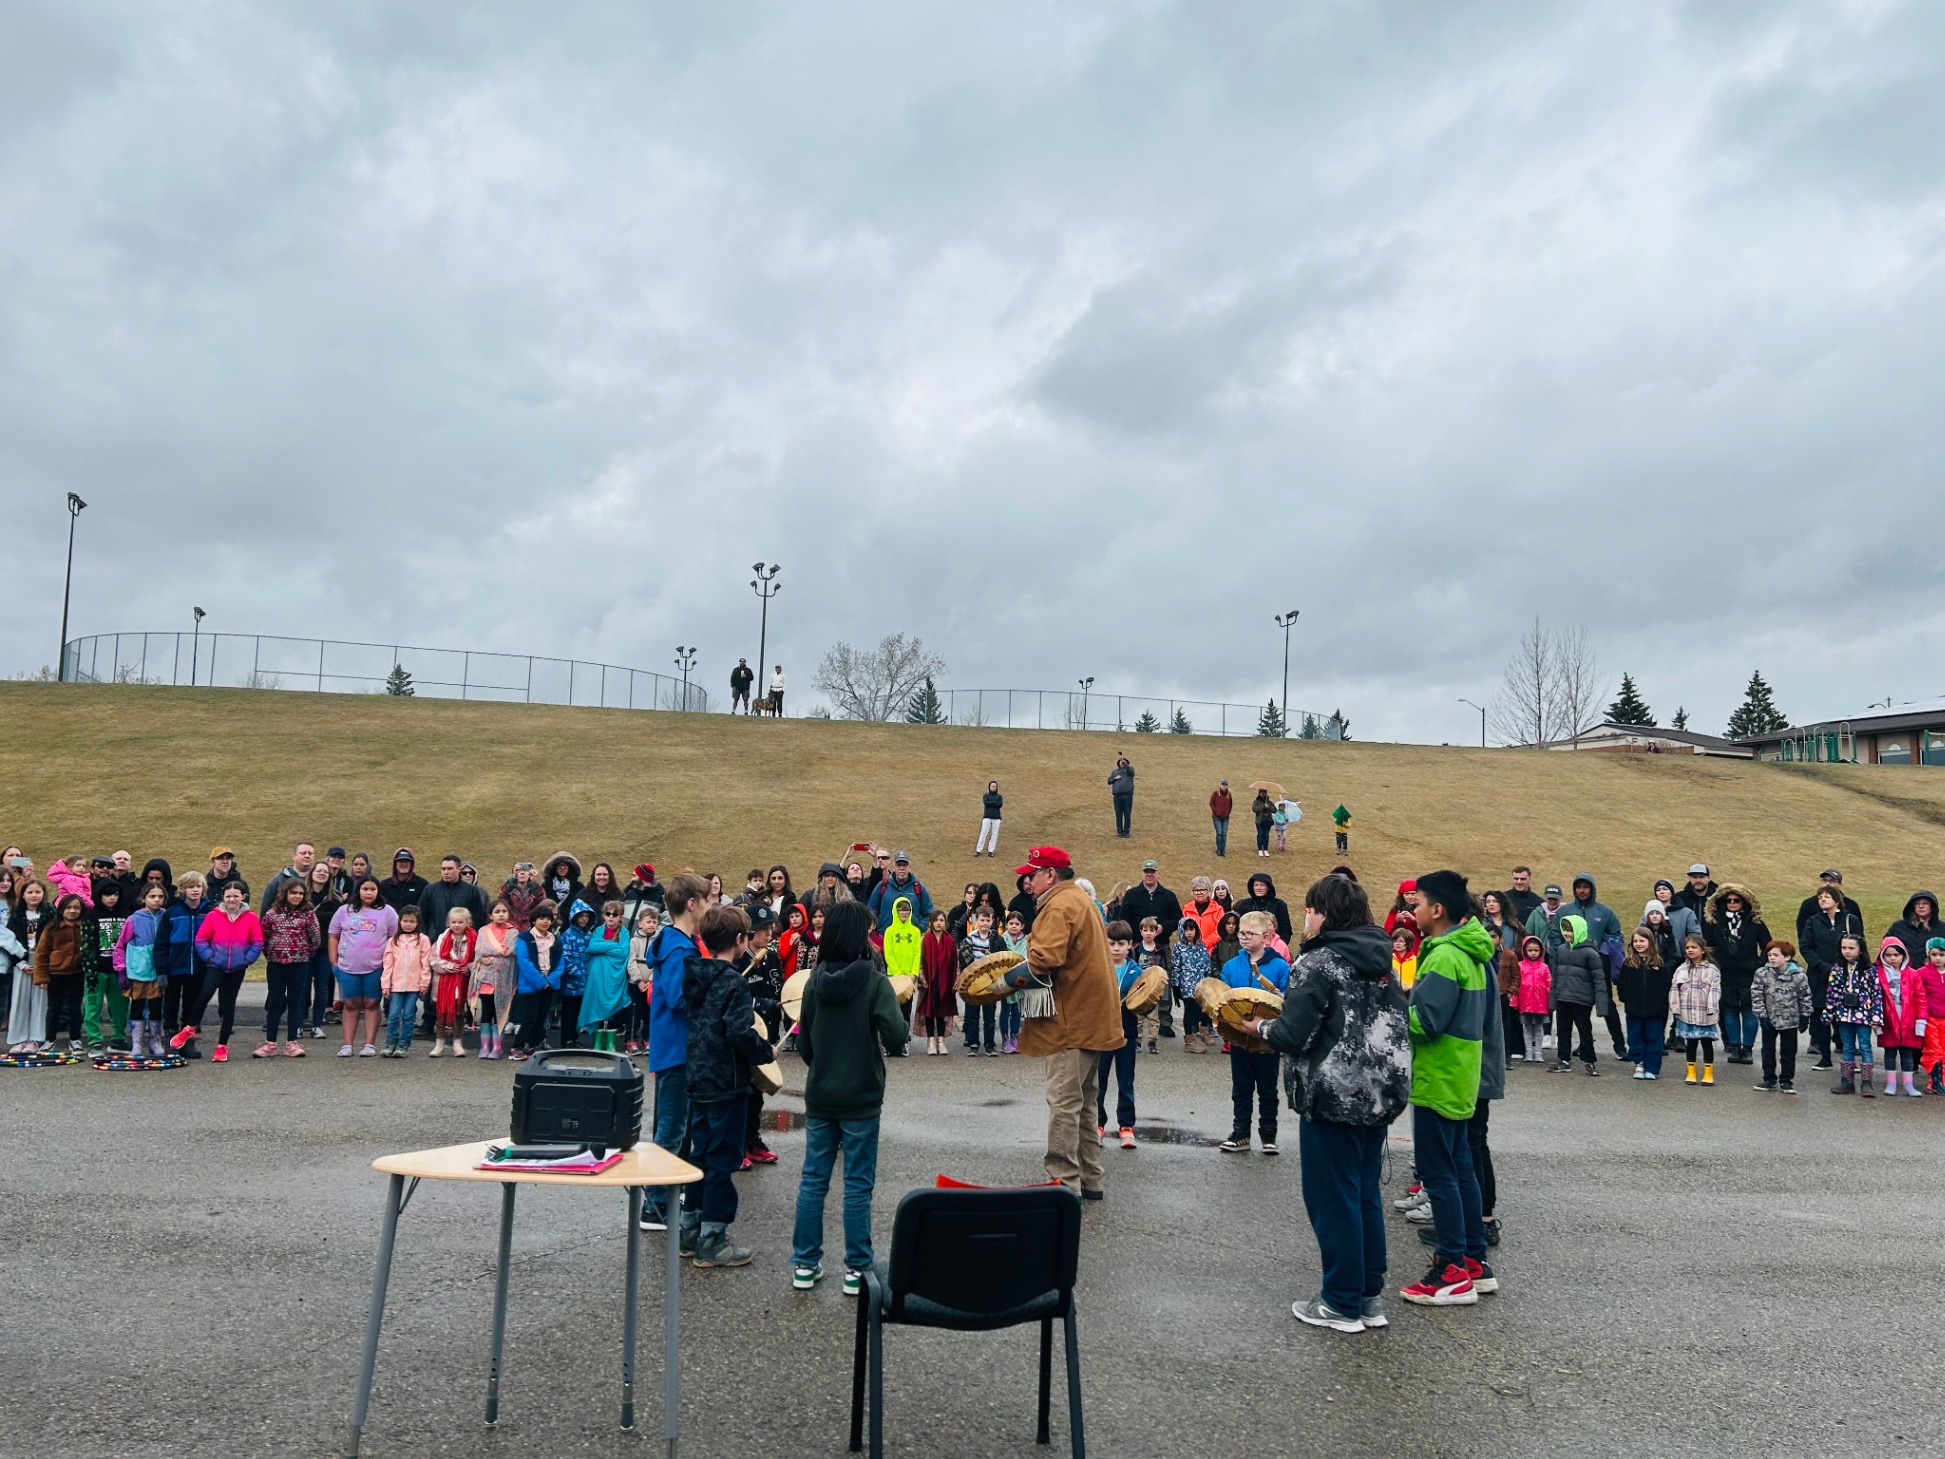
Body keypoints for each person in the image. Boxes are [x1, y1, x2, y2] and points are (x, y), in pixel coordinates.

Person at [1250, 873, 1408, 1333]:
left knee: (1332, 1199)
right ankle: (1366, 1296)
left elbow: (1290, 1033)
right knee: (1363, 1195)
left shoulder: (1318, 962)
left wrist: (1255, 1028)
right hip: (1378, 1094)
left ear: (1326, 914)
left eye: (1312, 909)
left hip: (1332, 1095)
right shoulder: (1382, 960)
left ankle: (1340, 1302)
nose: (1307, 917)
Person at [791, 900, 908, 1296]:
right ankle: (857, 1269)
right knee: (857, 1184)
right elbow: (897, 1037)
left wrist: (822, 1065)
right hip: (861, 1095)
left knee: (813, 1180)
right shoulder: (875, 983)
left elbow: (804, 1044)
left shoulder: (812, 983)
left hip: (821, 1093)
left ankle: (805, 1264)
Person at [1399, 869, 1495, 1307]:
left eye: (1416, 903)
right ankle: (1473, 1258)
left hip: (1439, 1078)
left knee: (1440, 1174)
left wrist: (1392, 1007)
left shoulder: (1441, 956)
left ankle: (1451, 1268)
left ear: (1437, 911)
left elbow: (1425, 1022)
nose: (1411, 910)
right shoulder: (1472, 952)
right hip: (1461, 1076)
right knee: (1460, 1169)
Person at [1017, 846, 1122, 1199]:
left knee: (1063, 1102)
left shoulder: (1059, 905)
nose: (1027, 881)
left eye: (1032, 874)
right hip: (1091, 1020)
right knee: (1084, 1102)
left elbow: (1044, 959)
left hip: (1071, 1022)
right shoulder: (1078, 898)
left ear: (1051, 874)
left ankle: (1063, 1184)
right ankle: (1091, 1179)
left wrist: (1000, 983)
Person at [683, 903, 769, 1267]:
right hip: (727, 1082)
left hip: (697, 1077)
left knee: (699, 1154)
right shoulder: (734, 982)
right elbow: (738, 1032)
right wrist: (763, 1051)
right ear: (739, 941)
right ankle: (713, 1239)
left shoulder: (693, 975)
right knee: (722, 1158)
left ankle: (690, 1230)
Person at [641, 874, 709, 1231]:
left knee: (676, 1128)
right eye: (708, 899)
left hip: (678, 1047)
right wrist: (711, 991)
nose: (711, 906)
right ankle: (653, 1207)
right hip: (676, 1048)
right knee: (670, 1130)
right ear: (692, 903)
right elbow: (678, 998)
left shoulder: (678, 942)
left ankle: (664, 1197)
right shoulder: (678, 947)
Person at [1218, 911, 1290, 1154]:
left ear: (1266, 937)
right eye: (1241, 933)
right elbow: (1224, 1000)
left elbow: (1286, 1000)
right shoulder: (1231, 966)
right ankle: (1240, 1133)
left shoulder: (1280, 966)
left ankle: (1269, 1136)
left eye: (1250, 934)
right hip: (1239, 1038)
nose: (1244, 938)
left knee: (1268, 1090)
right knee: (1241, 1088)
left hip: (1267, 1040)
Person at [329, 878, 398, 1059]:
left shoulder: (388, 912)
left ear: (378, 891)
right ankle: (347, 1045)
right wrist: (334, 962)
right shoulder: (344, 911)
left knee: (371, 1003)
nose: (369, 893)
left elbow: (394, 939)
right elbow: (333, 936)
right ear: (358, 890)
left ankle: (369, 1044)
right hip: (347, 966)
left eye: (372, 889)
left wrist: (389, 966)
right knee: (350, 1005)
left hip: (375, 967)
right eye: (365, 889)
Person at [1704, 884, 1770, 1066]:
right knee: (1729, 1009)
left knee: (1749, 1010)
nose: (1732, 903)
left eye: (1736, 900)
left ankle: (1747, 1049)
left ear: (1744, 902)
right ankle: (1734, 1047)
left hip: (1749, 972)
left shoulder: (1755, 922)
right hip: (1724, 972)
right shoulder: (1714, 922)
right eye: (1728, 900)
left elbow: (1768, 946)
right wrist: (1716, 963)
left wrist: (1758, 965)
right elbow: (1707, 946)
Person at [1800, 885, 1862, 1072]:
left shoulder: (1850, 920)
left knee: (1847, 1015)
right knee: (1820, 1014)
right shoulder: (1813, 921)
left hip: (1846, 974)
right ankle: (1825, 1058)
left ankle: (1849, 1057)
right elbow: (1805, 946)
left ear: (1836, 900)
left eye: (1827, 896)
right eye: (1820, 897)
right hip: (1819, 975)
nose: (1822, 899)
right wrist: (1821, 965)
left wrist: (1842, 965)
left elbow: (1859, 943)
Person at [1567, 875, 1626, 1060]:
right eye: (1579, 887)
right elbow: (1556, 935)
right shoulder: (1566, 911)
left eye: (1586, 887)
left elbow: (1616, 934)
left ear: (1592, 889)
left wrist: (1604, 950)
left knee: (1606, 1004)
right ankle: (1585, 1044)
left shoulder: (1605, 911)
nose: (1582, 890)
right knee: (1580, 1007)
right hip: (1576, 965)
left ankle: (1620, 1046)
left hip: (1600, 965)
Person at [258, 879, 319, 1058]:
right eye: (293, 893)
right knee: (275, 1002)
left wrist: (303, 952)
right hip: (276, 964)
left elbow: (314, 939)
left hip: (299, 964)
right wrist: (272, 953)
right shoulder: (272, 914)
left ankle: (292, 1042)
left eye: (300, 893)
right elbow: (264, 936)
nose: (297, 896)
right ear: (285, 893)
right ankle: (270, 1043)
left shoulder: (308, 915)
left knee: (295, 1002)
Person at [1097, 922, 1143, 1149]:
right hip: (1101, 1034)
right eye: (1111, 943)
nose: (1116, 948)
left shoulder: (1137, 972)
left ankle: (1126, 1126)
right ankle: (1097, 1125)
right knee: (1098, 1082)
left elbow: (1146, 1001)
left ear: (1130, 945)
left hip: (1127, 1034)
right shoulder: (1096, 968)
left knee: (1125, 1082)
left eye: (1121, 944)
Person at [112, 886, 171, 1058]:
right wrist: (121, 969)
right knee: (137, 1005)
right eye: (152, 896)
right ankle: (136, 1044)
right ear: (143, 898)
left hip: (159, 970)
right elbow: (120, 946)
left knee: (156, 1006)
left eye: (160, 896)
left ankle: (155, 1041)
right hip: (138, 970)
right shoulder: (134, 919)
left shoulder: (166, 916)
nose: (156, 900)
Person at [1548, 915, 1607, 1075]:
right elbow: (1555, 976)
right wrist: (1552, 999)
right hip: (1563, 997)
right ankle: (1563, 1059)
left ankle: (1589, 1061)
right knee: (1562, 1030)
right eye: (1565, 930)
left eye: (1570, 930)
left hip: (1582, 1000)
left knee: (1584, 1030)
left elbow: (1599, 979)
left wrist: (1601, 1004)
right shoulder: (1561, 950)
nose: (1567, 933)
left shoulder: (1590, 953)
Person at [1751, 939, 1812, 1093]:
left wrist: (1805, 1016)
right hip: (1770, 1019)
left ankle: (1786, 1080)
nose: (1771, 958)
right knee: (1768, 1051)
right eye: (1769, 955)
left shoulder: (1799, 976)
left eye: (1776, 955)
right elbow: (1757, 995)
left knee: (1789, 1052)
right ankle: (1769, 1079)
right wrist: (1761, 1015)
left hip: (1790, 1020)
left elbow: (1805, 996)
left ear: (1787, 957)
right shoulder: (1762, 973)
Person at [35, 894, 89, 1055]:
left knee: (75, 1008)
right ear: (61, 909)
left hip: (77, 972)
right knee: (53, 1008)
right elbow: (41, 953)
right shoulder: (52, 928)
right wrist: (41, 977)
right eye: (68, 908)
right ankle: (49, 1039)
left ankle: (75, 1039)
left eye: (76, 908)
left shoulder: (84, 927)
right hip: (55, 972)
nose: (72, 911)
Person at [1616, 927, 1672, 1080]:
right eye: (1635, 941)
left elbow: (1665, 987)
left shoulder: (1659, 965)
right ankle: (1639, 1064)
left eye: (1642, 941)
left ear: (1650, 942)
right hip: (1634, 1010)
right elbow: (1622, 984)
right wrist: (1626, 998)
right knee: (1635, 1038)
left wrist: (1661, 1005)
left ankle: (1652, 1068)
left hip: (1655, 1012)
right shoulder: (1628, 964)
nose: (1638, 944)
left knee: (1654, 1039)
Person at [509, 901, 562, 1060]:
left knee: (541, 1018)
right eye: (541, 918)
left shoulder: (555, 939)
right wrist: (540, 982)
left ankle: (534, 1045)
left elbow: (560, 962)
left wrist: (550, 981)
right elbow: (524, 962)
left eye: (548, 918)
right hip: (532, 985)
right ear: (533, 920)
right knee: (529, 1018)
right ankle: (517, 1047)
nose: (545, 921)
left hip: (549, 985)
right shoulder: (525, 938)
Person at [82, 879, 129, 1055]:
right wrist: (90, 971)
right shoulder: (90, 916)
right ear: (99, 896)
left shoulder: (126, 915)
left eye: (115, 895)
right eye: (107, 895)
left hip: (119, 971)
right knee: (93, 1007)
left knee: (120, 1007)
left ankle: (118, 1039)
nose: (112, 898)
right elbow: (86, 945)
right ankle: (94, 1041)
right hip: (96, 970)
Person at [379, 906, 433, 1057]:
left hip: (413, 985)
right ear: (399, 922)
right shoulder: (393, 941)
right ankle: (390, 1044)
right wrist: (386, 984)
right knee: (393, 1015)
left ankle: (403, 1045)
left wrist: (424, 983)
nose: (408, 924)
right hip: (396, 985)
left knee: (409, 1016)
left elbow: (425, 964)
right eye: (405, 921)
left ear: (417, 922)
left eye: (412, 921)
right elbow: (387, 964)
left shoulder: (423, 940)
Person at [1671, 934, 1723, 1087]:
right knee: (1691, 1043)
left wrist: (1711, 1008)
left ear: (1702, 950)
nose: (1690, 950)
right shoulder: (1681, 969)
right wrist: (1675, 1007)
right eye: (1687, 948)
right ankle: (1691, 1072)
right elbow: (1674, 989)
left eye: (1693, 947)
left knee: (1707, 1043)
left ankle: (1708, 1073)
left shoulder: (1712, 970)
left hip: (1705, 1014)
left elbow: (1715, 990)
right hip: (1687, 1014)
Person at [1874, 936, 1923, 1098]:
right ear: (1882, 956)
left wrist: (1921, 1021)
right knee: (1889, 1053)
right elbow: (1875, 998)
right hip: (1888, 1021)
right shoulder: (1878, 974)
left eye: (1896, 955)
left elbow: (1921, 998)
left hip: (1909, 1021)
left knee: (1907, 1054)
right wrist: (1876, 1020)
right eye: (1888, 955)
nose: (1893, 958)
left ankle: (1909, 1084)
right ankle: (1891, 1082)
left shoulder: (1913, 974)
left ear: (1904, 955)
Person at [580, 901, 631, 1053]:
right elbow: (592, 947)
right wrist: (612, 945)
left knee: (613, 1011)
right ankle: (597, 1042)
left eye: (615, 914)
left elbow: (623, 953)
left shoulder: (625, 933)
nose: (611, 917)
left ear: (620, 917)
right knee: (598, 1008)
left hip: (615, 978)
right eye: (608, 914)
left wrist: (603, 947)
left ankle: (610, 1044)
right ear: (603, 915)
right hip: (598, 978)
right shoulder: (597, 931)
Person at [430, 908, 479, 1057]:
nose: (457, 925)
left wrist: (468, 968)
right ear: (448, 923)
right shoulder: (441, 940)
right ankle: (439, 1044)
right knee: (441, 1014)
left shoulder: (474, 939)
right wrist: (450, 966)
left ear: (467, 923)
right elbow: (434, 960)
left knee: (459, 1012)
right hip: (444, 983)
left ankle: (457, 1043)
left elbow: (478, 959)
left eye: (460, 922)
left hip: (462, 983)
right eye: (453, 922)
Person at [472, 900, 517, 1060]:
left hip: (504, 979)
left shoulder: (513, 932)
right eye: (497, 911)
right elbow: (480, 950)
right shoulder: (483, 931)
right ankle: (484, 1046)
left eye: (504, 911)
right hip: (486, 979)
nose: (501, 914)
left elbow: (511, 950)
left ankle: (497, 1047)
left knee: (500, 1012)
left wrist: (494, 954)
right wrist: (498, 953)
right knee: (487, 1012)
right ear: (490, 915)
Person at [957, 906, 999, 1055]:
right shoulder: (970, 938)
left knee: (989, 1016)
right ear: (976, 921)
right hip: (974, 982)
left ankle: (989, 1044)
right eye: (982, 920)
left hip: (990, 982)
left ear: (992, 921)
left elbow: (1002, 957)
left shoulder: (995, 938)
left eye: (988, 920)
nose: (985, 923)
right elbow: (964, 959)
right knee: (972, 1014)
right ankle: (973, 1044)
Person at [1170, 916, 1215, 1052]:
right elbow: (1175, 967)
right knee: (1190, 1012)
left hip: (1201, 984)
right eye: (1186, 930)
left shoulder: (1201, 946)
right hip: (1186, 985)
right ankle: (1189, 1041)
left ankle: (1204, 1031)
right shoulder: (1178, 947)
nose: (1189, 932)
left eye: (1192, 929)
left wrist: (1209, 980)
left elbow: (1207, 963)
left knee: (1206, 1009)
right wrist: (1176, 986)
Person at [557, 900, 595, 1048]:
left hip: (585, 982)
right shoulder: (567, 935)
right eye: (581, 916)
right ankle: (566, 1039)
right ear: (574, 917)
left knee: (579, 1012)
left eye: (586, 916)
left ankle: (574, 1038)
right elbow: (565, 958)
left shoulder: (589, 936)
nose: (584, 919)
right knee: (568, 1013)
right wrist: (576, 973)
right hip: (570, 983)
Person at [867, 852, 932, 934]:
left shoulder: (918, 888)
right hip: (885, 937)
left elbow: (929, 912)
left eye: (905, 865)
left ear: (909, 867)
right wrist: (878, 927)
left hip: (910, 939)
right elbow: (871, 911)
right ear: (893, 867)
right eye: (898, 865)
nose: (901, 868)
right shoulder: (882, 886)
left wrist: (920, 927)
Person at [1795, 869, 1863, 946]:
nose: (1827, 883)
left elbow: (1858, 933)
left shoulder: (1851, 905)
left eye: (1832, 881)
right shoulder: (1808, 904)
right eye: (1825, 880)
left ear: (1840, 884)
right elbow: (1801, 930)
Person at [1514, 934, 1552, 1065]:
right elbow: (1516, 984)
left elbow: (1549, 985)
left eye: (1536, 950)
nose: (1533, 953)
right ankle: (1529, 1052)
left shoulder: (1544, 967)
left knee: (1539, 1028)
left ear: (1541, 951)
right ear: (1524, 950)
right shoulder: (1520, 966)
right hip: (1526, 1004)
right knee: (1527, 1028)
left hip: (1541, 1004)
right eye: (1530, 950)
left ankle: (1538, 1052)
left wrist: (1550, 1002)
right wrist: (1515, 1002)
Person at [1886, 891, 1942, 969]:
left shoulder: (1942, 928)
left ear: (1932, 907)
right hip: (1902, 973)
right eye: (1917, 903)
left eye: (1925, 903)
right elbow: (1886, 949)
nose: (1921, 906)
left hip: (1930, 975)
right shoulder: (1898, 927)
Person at [258, 843, 318, 915]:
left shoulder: (319, 880)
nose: (307, 856)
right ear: (294, 856)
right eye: (303, 853)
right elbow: (266, 906)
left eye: (310, 853)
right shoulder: (278, 880)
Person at [1235, 872, 1292, 946]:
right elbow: (1238, 927)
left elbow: (1286, 930)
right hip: (1249, 946)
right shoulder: (1244, 904)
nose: (1259, 888)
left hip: (1273, 947)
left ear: (1268, 887)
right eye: (1256, 885)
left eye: (1262, 885)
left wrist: (1279, 946)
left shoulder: (1279, 905)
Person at [999, 910, 1028, 1052]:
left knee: (1017, 1010)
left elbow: (1027, 959)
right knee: (1006, 1010)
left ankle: (1015, 1037)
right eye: (1011, 923)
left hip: (1021, 979)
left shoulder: (1026, 941)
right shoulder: (1001, 939)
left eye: (1017, 924)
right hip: (1006, 979)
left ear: (1022, 926)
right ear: (1006, 925)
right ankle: (1005, 1039)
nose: (1014, 926)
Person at [378, 848, 430, 917]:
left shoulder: (422, 884)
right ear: (395, 863)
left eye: (407, 861)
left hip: (414, 925)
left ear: (412, 864)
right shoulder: (384, 885)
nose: (404, 864)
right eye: (400, 861)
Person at [500, 862, 545, 931]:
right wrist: (511, 881)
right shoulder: (509, 888)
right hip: (510, 928)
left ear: (530, 874)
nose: (522, 873)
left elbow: (542, 906)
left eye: (525, 870)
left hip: (530, 928)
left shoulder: (536, 889)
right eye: (518, 870)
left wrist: (534, 884)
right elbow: (501, 902)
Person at [1107, 756, 1135, 838]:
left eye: (1123, 762)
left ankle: (1126, 832)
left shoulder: (1129, 771)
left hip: (1127, 795)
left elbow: (1131, 771)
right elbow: (1109, 781)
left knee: (1127, 813)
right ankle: (1119, 831)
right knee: (1118, 813)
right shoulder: (1115, 772)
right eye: (1120, 762)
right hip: (1117, 796)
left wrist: (1125, 763)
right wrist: (1115, 778)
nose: (1121, 763)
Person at [976, 780, 1003, 857]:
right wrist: (994, 802)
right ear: (989, 787)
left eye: (994, 786)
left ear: (996, 787)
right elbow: (986, 803)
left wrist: (991, 802)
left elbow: (999, 804)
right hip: (987, 816)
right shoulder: (986, 795)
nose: (993, 788)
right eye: (992, 786)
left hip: (997, 818)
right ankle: (978, 850)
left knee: (994, 834)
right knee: (983, 833)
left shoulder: (999, 796)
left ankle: (991, 850)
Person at [1210, 780, 1233, 857]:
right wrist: (1215, 811)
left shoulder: (1229, 795)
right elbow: (1211, 803)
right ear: (1220, 785)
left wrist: (1227, 813)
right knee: (1219, 833)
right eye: (1223, 785)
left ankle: (1223, 850)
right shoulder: (1215, 793)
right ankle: (1219, 849)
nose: (1224, 786)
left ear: (1227, 786)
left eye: (1225, 785)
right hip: (1217, 817)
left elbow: (1230, 805)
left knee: (1224, 833)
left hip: (1225, 817)